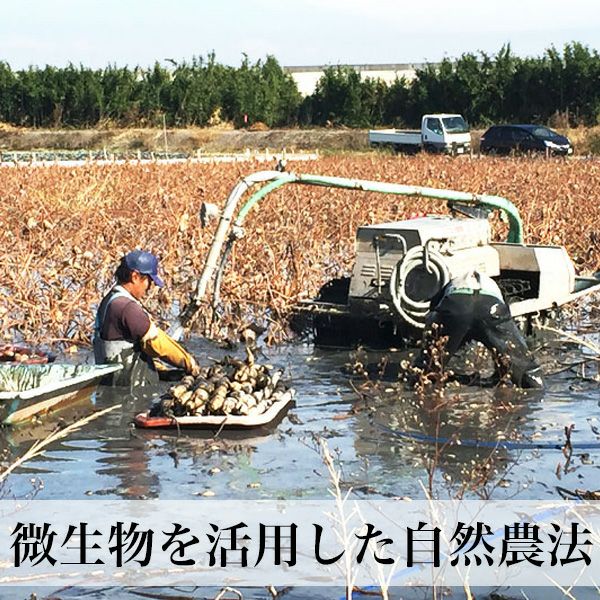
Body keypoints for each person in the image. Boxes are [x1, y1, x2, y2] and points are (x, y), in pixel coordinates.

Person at [416, 270, 544, 389]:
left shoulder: (450, 285)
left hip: (456, 305)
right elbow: (504, 328)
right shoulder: (493, 286)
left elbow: (433, 312)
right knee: (525, 369)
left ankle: (420, 387)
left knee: (426, 369)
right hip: (491, 307)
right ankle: (535, 390)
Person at [94, 250, 199, 388]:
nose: (149, 287)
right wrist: (189, 363)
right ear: (135, 277)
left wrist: (159, 369)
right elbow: (156, 344)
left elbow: (130, 345)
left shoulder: (109, 300)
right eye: (149, 281)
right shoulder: (127, 308)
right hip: (130, 389)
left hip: (110, 384)